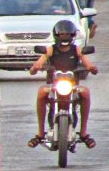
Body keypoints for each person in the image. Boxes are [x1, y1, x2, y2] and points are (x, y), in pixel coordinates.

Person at [28, 20, 98, 149]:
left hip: (73, 86)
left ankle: (83, 132)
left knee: (86, 92)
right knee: (41, 92)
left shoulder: (76, 49)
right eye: (62, 34)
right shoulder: (50, 49)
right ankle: (39, 132)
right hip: (53, 86)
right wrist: (36, 67)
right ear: (56, 35)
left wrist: (91, 67)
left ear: (72, 36)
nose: (64, 37)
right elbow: (40, 61)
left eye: (67, 34)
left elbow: (86, 61)